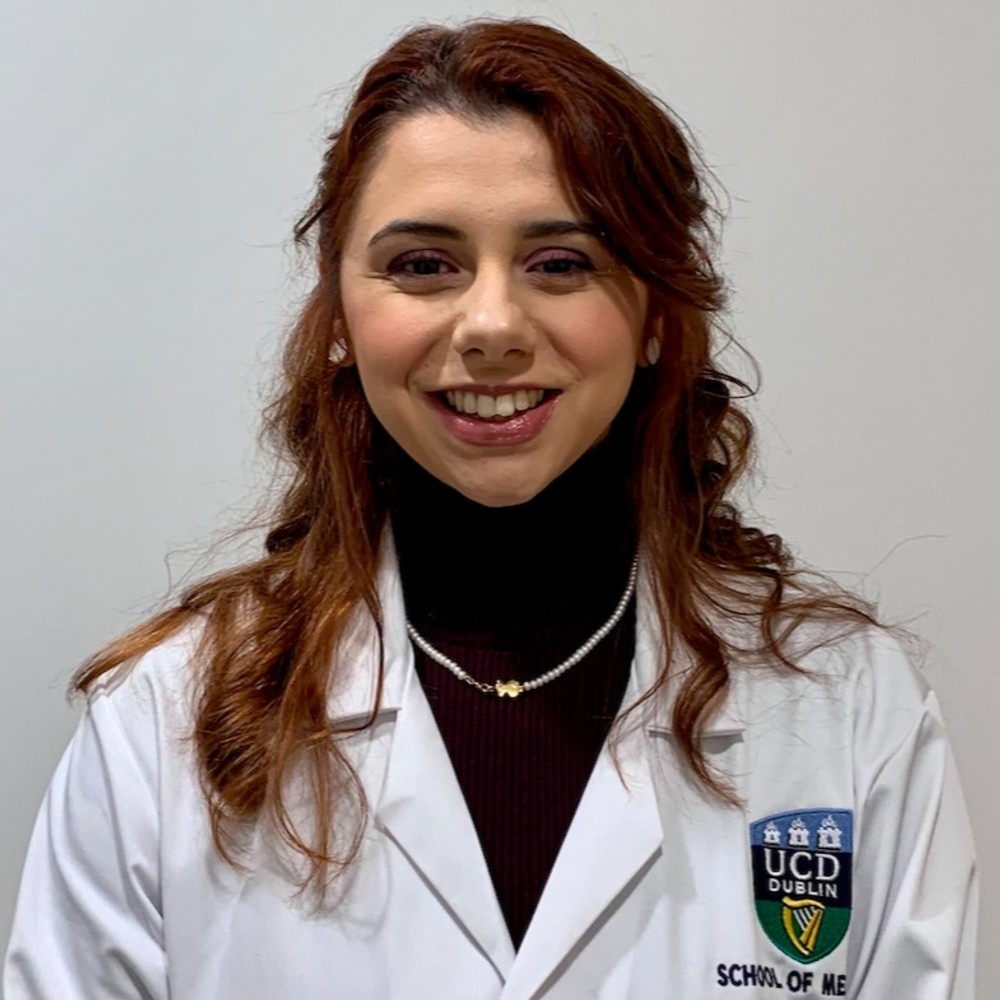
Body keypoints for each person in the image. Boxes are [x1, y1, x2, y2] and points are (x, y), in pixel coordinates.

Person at [3, 18, 976, 1000]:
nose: (493, 327)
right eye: (424, 265)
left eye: (561, 263)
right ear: (339, 313)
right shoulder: (165, 725)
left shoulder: (846, 711)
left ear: (654, 314)